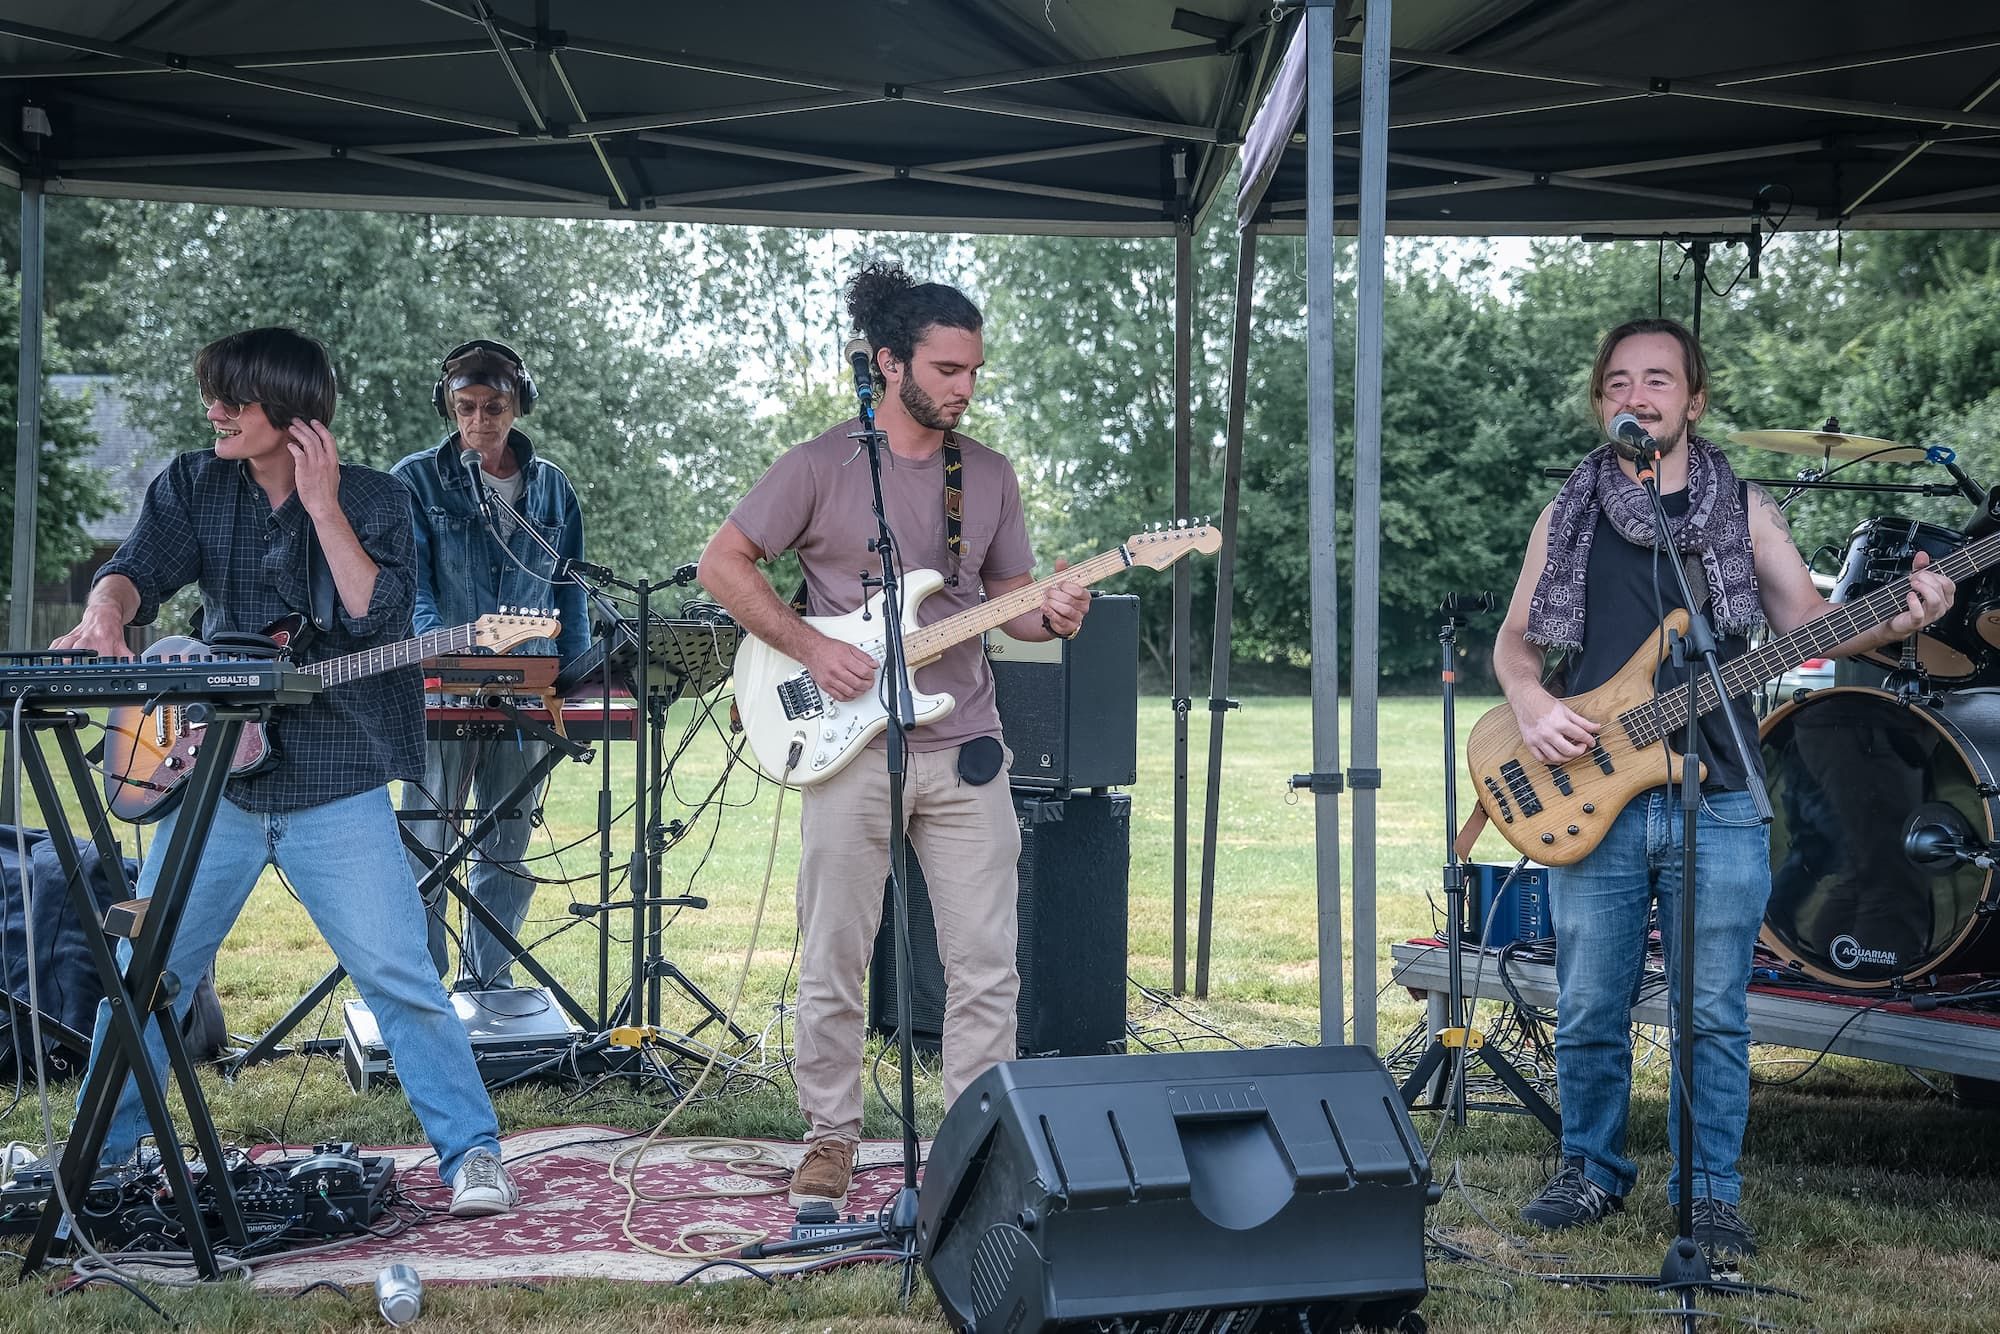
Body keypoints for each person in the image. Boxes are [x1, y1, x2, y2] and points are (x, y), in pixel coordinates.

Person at [1493, 317, 1954, 1259]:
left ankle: (1709, 1196)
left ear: (1694, 401)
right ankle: (1589, 1171)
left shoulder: (1741, 510)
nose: (1636, 396)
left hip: (1723, 791)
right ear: (1601, 401)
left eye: (1657, 380)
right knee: (1588, 1006)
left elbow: (1812, 623)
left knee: (1712, 1015)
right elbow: (1515, 643)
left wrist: (1904, 617)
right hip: (1593, 790)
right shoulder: (1566, 513)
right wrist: (1532, 705)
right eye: (1618, 382)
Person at [53, 326, 518, 1216]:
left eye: (234, 398)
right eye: (213, 395)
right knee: (144, 972)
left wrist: (322, 505)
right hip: (213, 784)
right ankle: (100, 1159)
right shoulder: (193, 484)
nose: (214, 410)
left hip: (336, 782)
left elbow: (376, 617)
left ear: (292, 411)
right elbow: (132, 571)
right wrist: (107, 612)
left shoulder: (376, 499)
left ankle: (473, 1155)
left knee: (400, 977)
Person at [697, 262, 1090, 1211]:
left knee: (986, 963)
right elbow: (723, 563)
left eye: (974, 371)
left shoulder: (987, 475)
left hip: (967, 742)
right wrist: (809, 647)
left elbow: (1009, 603)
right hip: (849, 745)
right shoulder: (817, 465)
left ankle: (973, 1148)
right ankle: (830, 1139)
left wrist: (1054, 616)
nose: (965, 388)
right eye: (948, 369)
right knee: (835, 953)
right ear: (888, 363)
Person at [390, 340, 589, 991]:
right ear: (448, 407)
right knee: (427, 843)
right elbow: (410, 585)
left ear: (518, 405)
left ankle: (490, 984)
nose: (479, 420)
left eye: (494, 407)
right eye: (466, 407)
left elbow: (569, 592)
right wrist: (441, 650)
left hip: (530, 692)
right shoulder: (415, 480)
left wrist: (575, 679)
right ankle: (423, 989)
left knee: (507, 845)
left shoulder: (553, 487)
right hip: (439, 688)